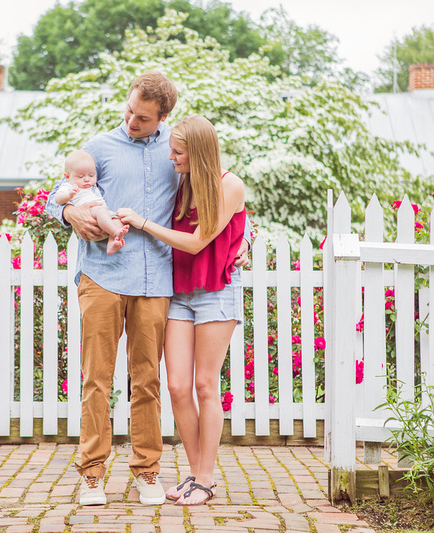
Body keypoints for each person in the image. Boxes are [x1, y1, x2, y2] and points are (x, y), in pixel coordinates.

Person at [46, 71, 250, 507]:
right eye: (130, 111)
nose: (131, 121)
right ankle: (92, 475)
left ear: (163, 116)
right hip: (102, 275)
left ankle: (147, 473)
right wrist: (68, 217)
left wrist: (244, 239)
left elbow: (216, 199)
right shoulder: (100, 148)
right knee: (96, 379)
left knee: (149, 381)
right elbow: (57, 196)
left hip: (158, 282)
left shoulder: (178, 154)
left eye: (142, 117)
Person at [117, 114, 246, 506]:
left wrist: (140, 223)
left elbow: (195, 243)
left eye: (177, 152)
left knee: (205, 385)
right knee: (176, 386)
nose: (171, 157)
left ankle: (206, 478)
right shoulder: (182, 182)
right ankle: (194, 474)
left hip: (216, 292)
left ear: (199, 153)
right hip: (179, 292)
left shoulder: (230, 185)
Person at [53, 150, 129, 255]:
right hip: (89, 215)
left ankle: (112, 242)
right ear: (67, 177)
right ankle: (115, 232)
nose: (87, 179)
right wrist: (69, 195)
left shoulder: (92, 187)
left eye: (92, 175)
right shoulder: (68, 186)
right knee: (100, 211)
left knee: (118, 220)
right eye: (81, 176)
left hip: (103, 215)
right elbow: (57, 199)